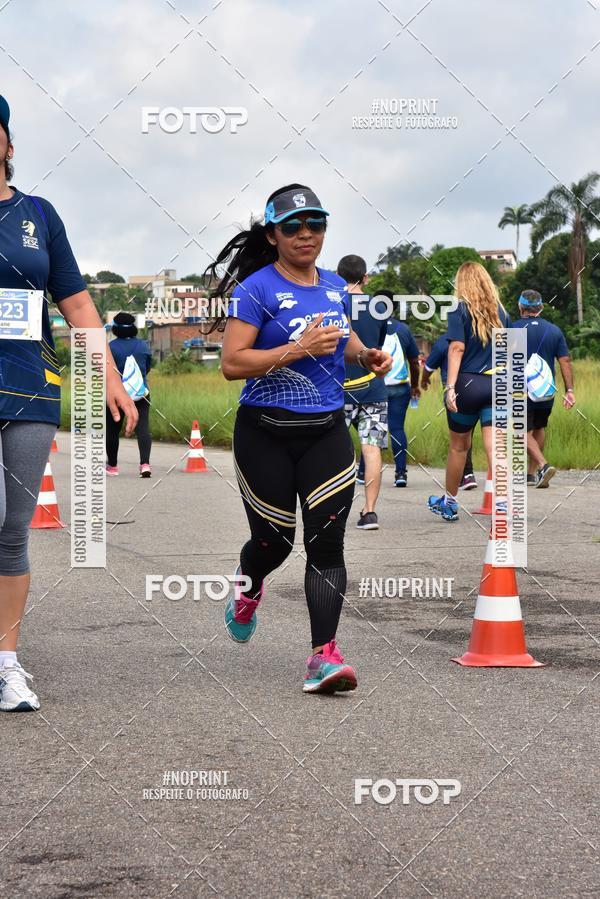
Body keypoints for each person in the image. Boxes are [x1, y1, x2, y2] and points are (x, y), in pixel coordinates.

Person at [204, 184, 391, 694]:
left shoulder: (333, 286)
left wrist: (364, 354)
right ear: (273, 235)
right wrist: (298, 348)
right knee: (275, 542)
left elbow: (342, 336)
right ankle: (248, 585)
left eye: (316, 224)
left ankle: (323, 656)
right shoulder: (256, 290)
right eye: (293, 226)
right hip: (264, 432)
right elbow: (232, 363)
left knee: (326, 542)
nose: (306, 234)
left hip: (326, 431)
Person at [0, 95, 137, 711]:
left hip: (29, 387)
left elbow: (77, 303)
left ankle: (6, 663)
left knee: (12, 531)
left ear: (8, 143)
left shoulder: (38, 214)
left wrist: (108, 374)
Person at [428, 262, 510, 522]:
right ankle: (503, 504)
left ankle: (450, 503)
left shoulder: (458, 310)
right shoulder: (502, 312)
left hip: (468, 385)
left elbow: (457, 348)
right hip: (497, 383)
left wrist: (450, 387)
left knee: (458, 448)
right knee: (496, 447)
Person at [339, 256, 388, 529]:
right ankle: (369, 511)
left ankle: (333, 509)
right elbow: (376, 347)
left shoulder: (334, 302)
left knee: (335, 450)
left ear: (338, 276)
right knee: (371, 448)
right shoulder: (379, 306)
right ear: (365, 278)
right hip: (373, 388)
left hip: (339, 388)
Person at [511, 289, 575, 487]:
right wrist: (569, 391)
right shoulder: (554, 331)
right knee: (539, 428)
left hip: (520, 390)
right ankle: (531, 475)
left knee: (520, 430)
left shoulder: (512, 328)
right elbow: (564, 361)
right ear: (541, 308)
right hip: (546, 391)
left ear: (521, 307)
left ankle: (543, 465)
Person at [421, 333, 477, 490]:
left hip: (456, 390)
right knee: (486, 435)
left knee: (460, 436)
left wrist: (423, 380)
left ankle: (467, 475)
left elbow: (428, 367)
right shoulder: (477, 335)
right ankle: (499, 482)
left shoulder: (443, 341)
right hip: (482, 385)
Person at [380, 290, 420, 487]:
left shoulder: (369, 326)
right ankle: (401, 473)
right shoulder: (403, 329)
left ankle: (364, 473)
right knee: (396, 428)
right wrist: (415, 385)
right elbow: (414, 362)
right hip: (400, 386)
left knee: (374, 430)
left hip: (376, 386)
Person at [106, 312, 153, 477]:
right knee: (143, 428)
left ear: (115, 329)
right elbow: (147, 368)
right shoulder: (143, 346)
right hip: (141, 393)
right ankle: (145, 465)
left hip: (117, 395)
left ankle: (112, 466)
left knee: (112, 430)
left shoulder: (110, 348)